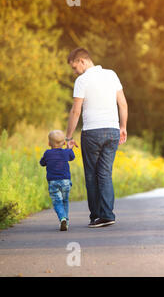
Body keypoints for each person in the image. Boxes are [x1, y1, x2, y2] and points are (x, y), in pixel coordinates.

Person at [65, 48, 128, 228]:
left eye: (74, 67)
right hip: (112, 130)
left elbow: (76, 110)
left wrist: (68, 137)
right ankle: (107, 214)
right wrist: (123, 127)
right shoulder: (111, 75)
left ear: (82, 61)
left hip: (92, 132)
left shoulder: (82, 80)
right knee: (105, 173)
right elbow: (122, 103)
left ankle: (96, 216)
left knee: (92, 175)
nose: (74, 71)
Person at [39, 130, 75, 231]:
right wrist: (69, 148)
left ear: (49, 143)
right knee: (65, 201)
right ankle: (66, 222)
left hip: (53, 182)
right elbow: (72, 157)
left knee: (57, 202)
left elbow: (42, 163)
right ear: (64, 143)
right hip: (66, 182)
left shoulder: (47, 153)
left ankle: (62, 218)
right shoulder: (66, 152)